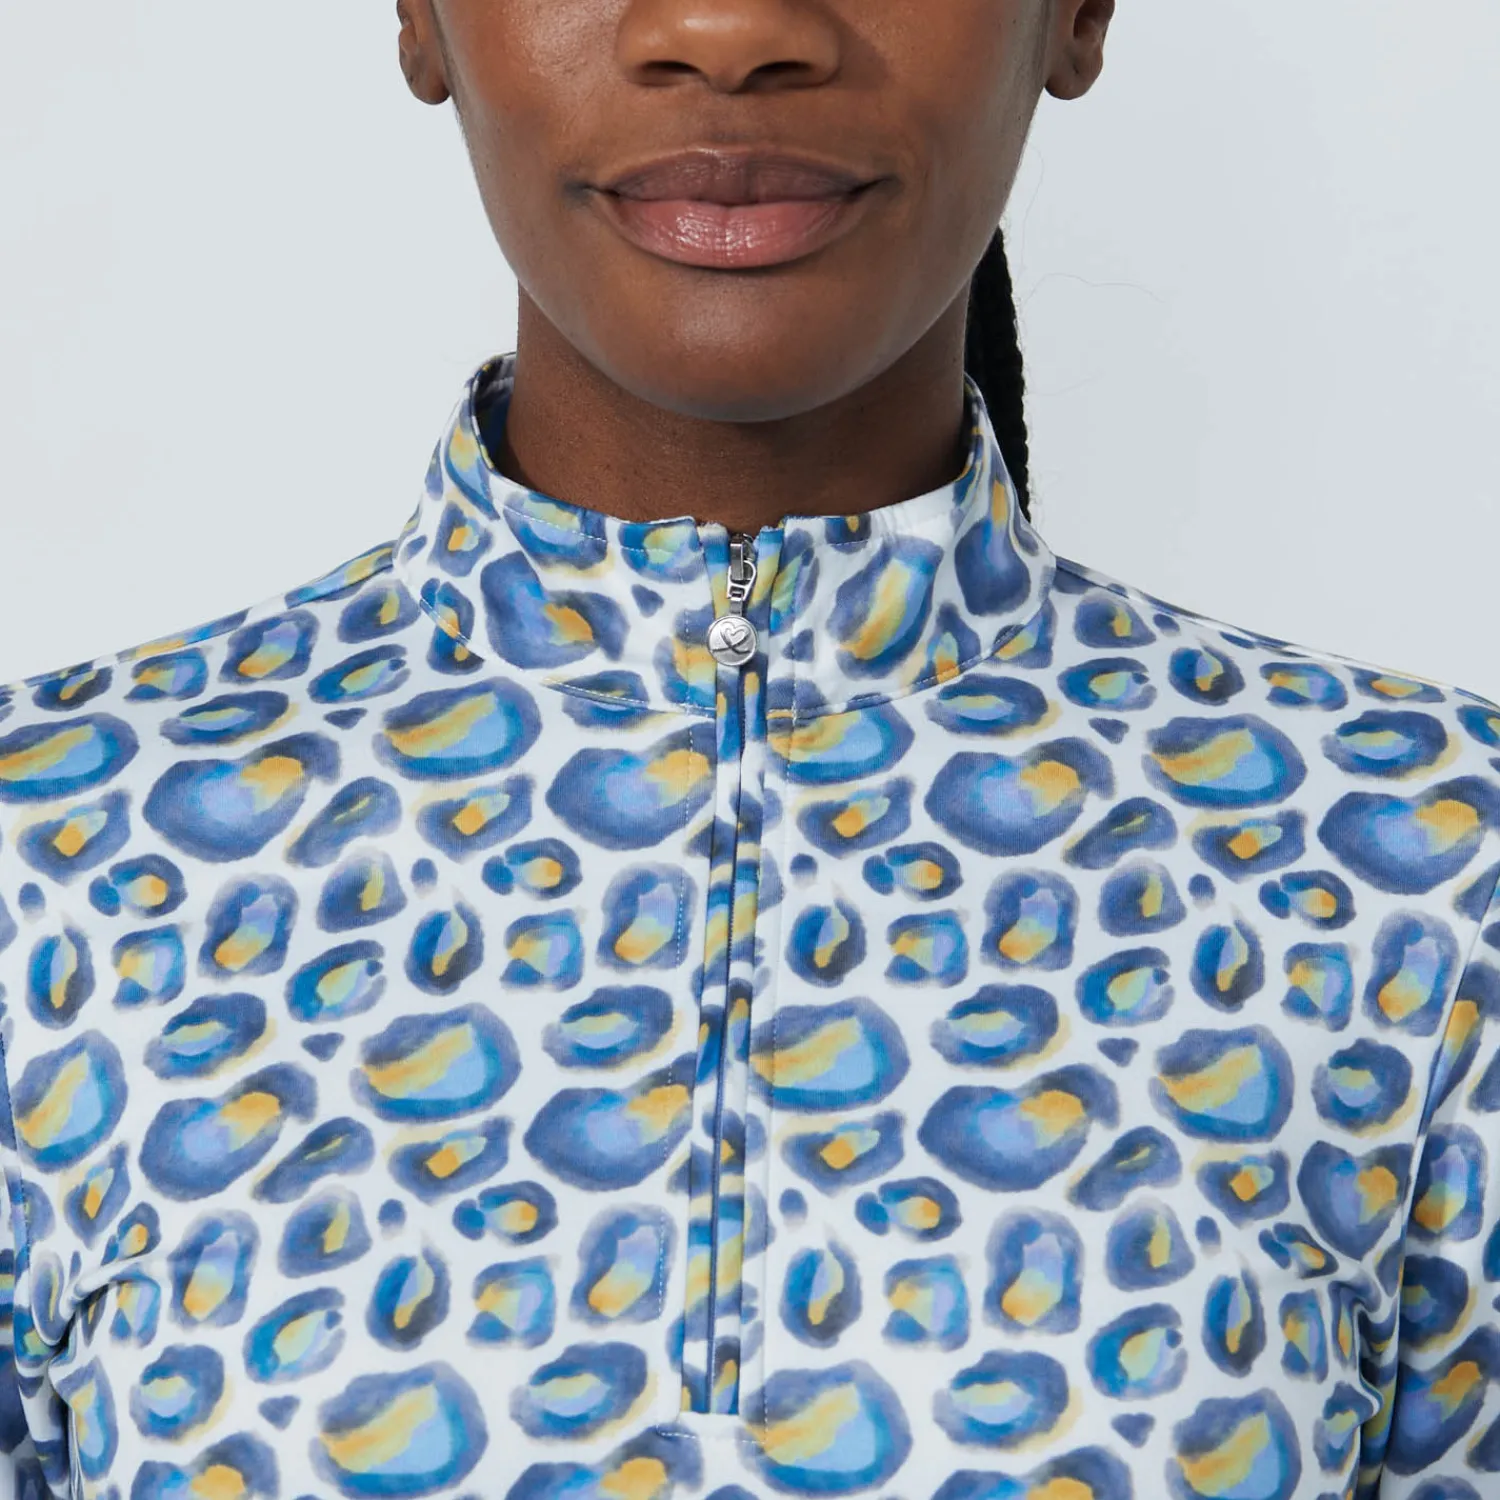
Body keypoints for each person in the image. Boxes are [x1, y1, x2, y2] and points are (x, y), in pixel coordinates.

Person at [1, 1, 1497, 1496]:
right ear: (420, 16)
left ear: (1080, 12)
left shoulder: (1439, 873)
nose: (728, 30)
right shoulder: (42, 854)